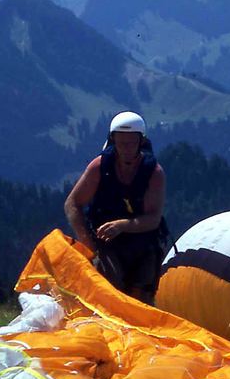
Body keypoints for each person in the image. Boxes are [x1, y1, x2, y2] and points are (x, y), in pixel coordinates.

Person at [64, 111, 166, 304]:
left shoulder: (154, 172)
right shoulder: (99, 167)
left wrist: (122, 225)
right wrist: (88, 245)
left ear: (141, 142)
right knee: (109, 289)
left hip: (143, 241)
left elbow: (153, 219)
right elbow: (73, 204)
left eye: (131, 143)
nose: (126, 148)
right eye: (121, 143)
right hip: (104, 240)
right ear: (113, 141)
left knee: (141, 295)